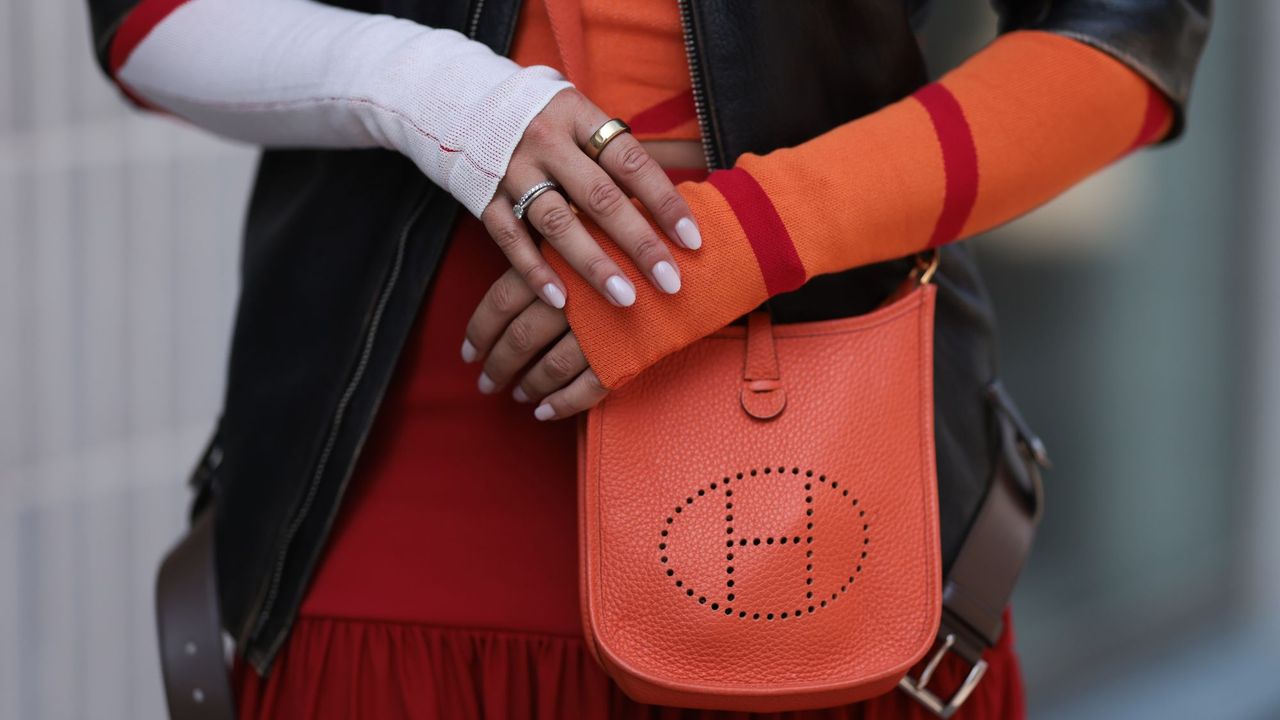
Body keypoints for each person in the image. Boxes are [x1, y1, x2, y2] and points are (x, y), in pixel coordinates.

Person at [84, 0, 1209, 717]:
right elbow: (142, 20)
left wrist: (743, 240)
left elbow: (1123, 37)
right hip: (389, 513)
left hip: (826, 526)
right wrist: (440, 93)